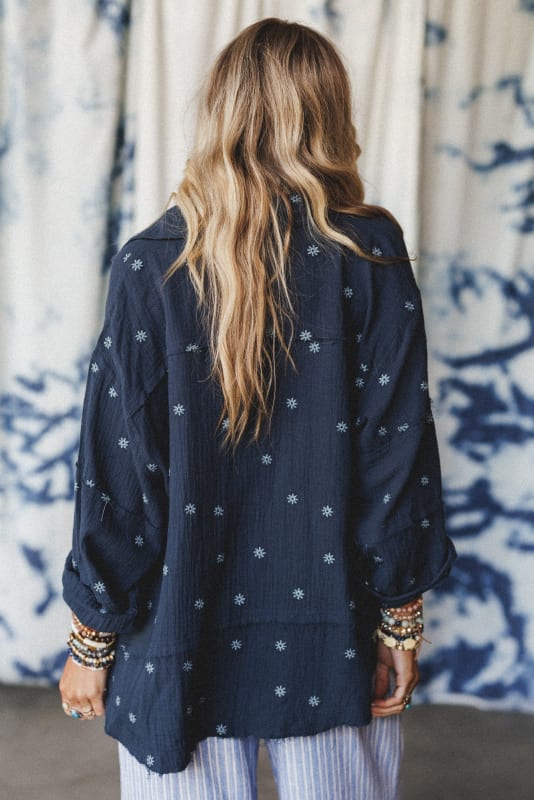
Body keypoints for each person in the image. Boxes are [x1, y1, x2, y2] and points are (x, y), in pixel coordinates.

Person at [58, 17, 456, 800]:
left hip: (177, 630)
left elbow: (118, 477)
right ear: (331, 115)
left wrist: (92, 639)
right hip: (332, 631)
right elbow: (397, 459)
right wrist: (399, 621)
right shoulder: (370, 255)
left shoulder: (152, 264)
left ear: (219, 112)